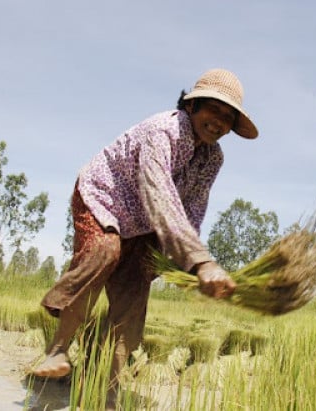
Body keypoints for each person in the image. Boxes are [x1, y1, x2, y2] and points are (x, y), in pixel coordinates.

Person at [31, 68, 258, 405]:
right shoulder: (164, 129)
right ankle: (58, 349)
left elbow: (192, 210)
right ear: (192, 106)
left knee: (134, 294)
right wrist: (202, 260)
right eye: (214, 109)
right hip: (103, 199)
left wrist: (190, 270)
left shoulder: (213, 158)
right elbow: (160, 194)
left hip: (144, 224)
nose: (219, 121)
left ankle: (105, 388)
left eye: (228, 116)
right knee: (104, 253)